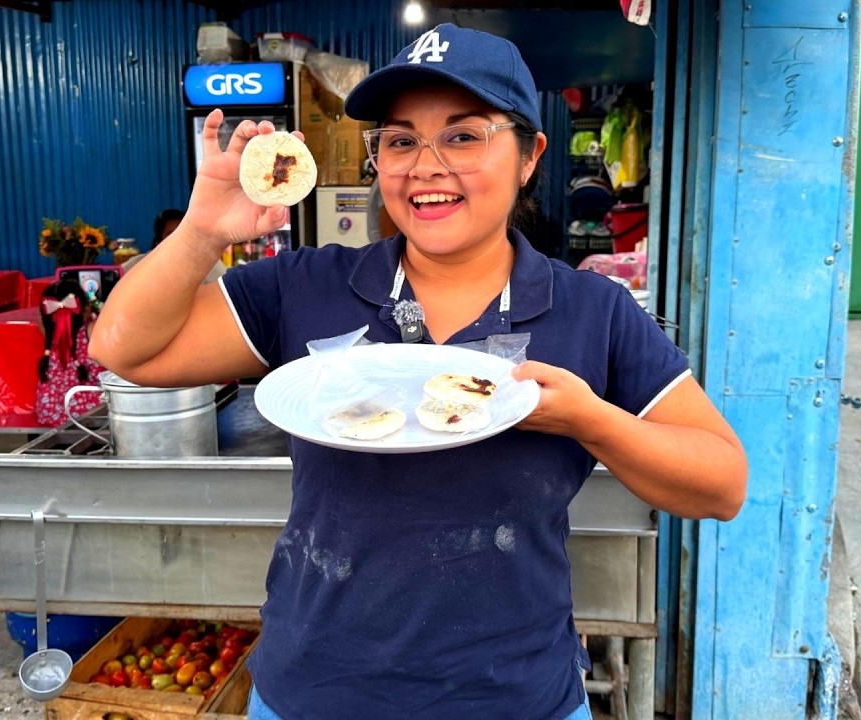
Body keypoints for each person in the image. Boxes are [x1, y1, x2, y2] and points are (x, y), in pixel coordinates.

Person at [92, 24, 746, 720]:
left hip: (516, 699)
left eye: (463, 135)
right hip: (314, 694)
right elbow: (124, 348)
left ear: (530, 156)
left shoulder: (593, 310)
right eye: (400, 140)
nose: (425, 165)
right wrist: (202, 230)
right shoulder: (308, 286)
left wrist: (591, 420)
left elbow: (722, 483)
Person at [120, 208, 226, 284]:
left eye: (183, 233)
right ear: (158, 241)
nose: (178, 239)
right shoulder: (137, 266)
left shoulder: (209, 264)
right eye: (171, 234)